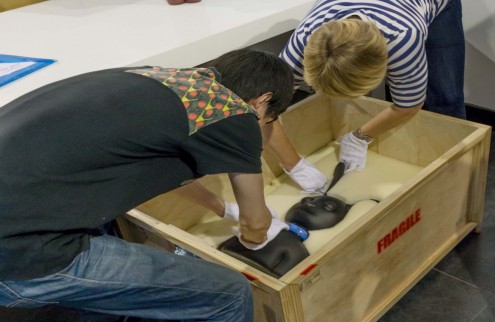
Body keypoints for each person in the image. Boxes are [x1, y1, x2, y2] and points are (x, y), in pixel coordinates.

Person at [0, 49, 295, 321]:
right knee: (229, 294)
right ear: (261, 101)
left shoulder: (158, 78)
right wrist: (263, 231)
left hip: (20, 205)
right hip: (21, 252)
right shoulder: (234, 111)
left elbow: (156, 165)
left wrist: (220, 208)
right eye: (267, 121)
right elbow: (255, 227)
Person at [275, 0, 466, 174]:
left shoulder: (403, 37)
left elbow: (409, 104)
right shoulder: (306, 37)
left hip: (434, 6)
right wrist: (294, 164)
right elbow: (262, 107)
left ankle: (457, 171)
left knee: (446, 96)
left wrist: (360, 136)